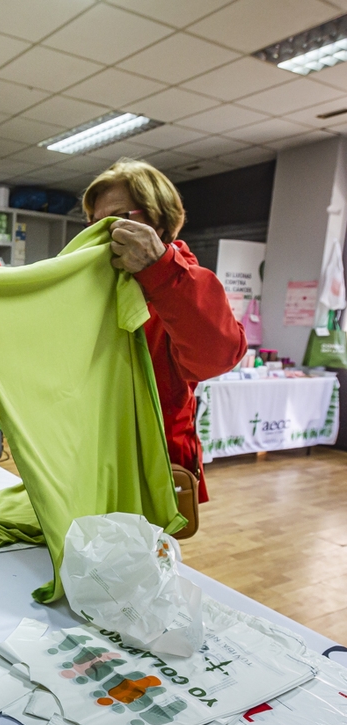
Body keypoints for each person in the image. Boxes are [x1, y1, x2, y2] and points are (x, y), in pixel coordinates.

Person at [82, 159, 247, 503]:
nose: (99, 233)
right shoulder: (97, 281)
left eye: (116, 220)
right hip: (89, 453)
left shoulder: (183, 281)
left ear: (157, 219)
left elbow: (216, 357)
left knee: (144, 555)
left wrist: (160, 271)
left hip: (153, 463)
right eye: (93, 223)